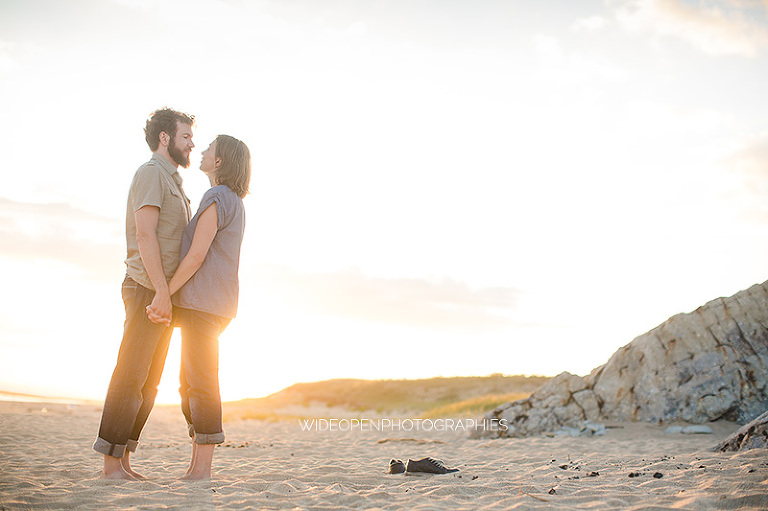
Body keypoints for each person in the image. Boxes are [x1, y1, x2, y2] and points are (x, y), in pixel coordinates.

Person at [93, 108, 195, 480]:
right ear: (165, 138)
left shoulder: (173, 180)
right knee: (130, 375)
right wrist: (160, 295)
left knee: (148, 380)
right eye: (185, 137)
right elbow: (144, 235)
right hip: (146, 290)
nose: (191, 144)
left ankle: (123, 461)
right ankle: (109, 466)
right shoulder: (152, 174)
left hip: (161, 294)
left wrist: (167, 295)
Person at [147, 134, 251, 480]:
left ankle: (202, 470)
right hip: (212, 304)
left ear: (219, 162)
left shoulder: (218, 196)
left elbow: (196, 255)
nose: (202, 151)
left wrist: (166, 292)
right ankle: (196, 466)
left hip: (203, 303)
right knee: (188, 383)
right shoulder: (230, 199)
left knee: (200, 383)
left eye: (209, 149)